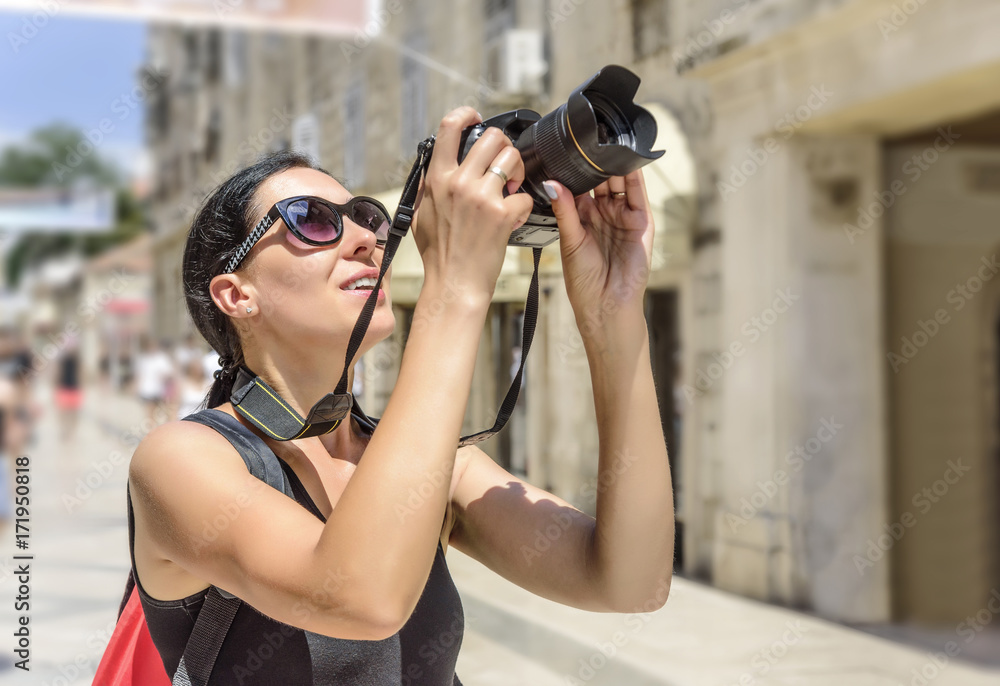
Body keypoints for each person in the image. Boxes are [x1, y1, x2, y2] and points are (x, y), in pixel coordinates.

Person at [127, 108, 674, 685]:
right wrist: (455, 286)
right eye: (312, 220)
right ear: (236, 295)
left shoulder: (433, 466)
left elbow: (630, 582)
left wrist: (616, 316)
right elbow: (361, 599)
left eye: (365, 216)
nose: (368, 239)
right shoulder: (180, 462)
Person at [134, 334, 174, 424]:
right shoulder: (143, 359)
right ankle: (151, 429)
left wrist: (164, 377)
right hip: (147, 390)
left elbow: (169, 373)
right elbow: (139, 375)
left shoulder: (161, 358)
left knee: (162, 413)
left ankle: (157, 429)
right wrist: (136, 388)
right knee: (149, 413)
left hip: (160, 391)